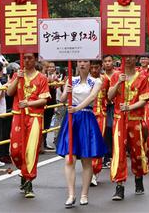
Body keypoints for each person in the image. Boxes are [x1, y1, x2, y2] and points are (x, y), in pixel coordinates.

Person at [57, 60, 108, 208]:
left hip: (86, 118)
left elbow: (92, 98)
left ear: (90, 64)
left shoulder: (96, 81)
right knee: (69, 158)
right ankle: (71, 194)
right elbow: (62, 100)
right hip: (71, 120)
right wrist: (66, 90)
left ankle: (84, 194)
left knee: (86, 159)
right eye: (80, 61)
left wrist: (77, 108)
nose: (82, 64)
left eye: (85, 61)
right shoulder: (71, 80)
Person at [6, 53, 51, 198]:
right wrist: (17, 78)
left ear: (36, 59)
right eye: (24, 58)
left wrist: (29, 103)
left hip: (35, 117)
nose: (26, 60)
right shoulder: (17, 75)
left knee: (31, 150)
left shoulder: (42, 78)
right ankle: (23, 172)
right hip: (18, 116)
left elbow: (44, 100)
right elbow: (9, 92)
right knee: (15, 151)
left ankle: (28, 182)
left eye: (30, 58)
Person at [107, 55, 149, 201]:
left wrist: (129, 107)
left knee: (137, 153)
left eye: (132, 57)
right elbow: (109, 96)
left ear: (136, 58)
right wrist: (118, 83)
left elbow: (144, 100)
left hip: (135, 120)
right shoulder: (116, 76)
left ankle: (138, 178)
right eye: (126, 57)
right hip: (119, 120)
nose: (129, 60)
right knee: (118, 152)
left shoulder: (142, 77)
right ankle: (119, 186)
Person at [89, 60, 110, 186]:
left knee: (98, 141)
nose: (94, 70)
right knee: (87, 143)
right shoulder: (83, 80)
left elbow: (109, 96)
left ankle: (95, 171)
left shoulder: (105, 80)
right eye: (92, 68)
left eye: (96, 67)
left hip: (101, 114)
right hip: (87, 114)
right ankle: (89, 170)